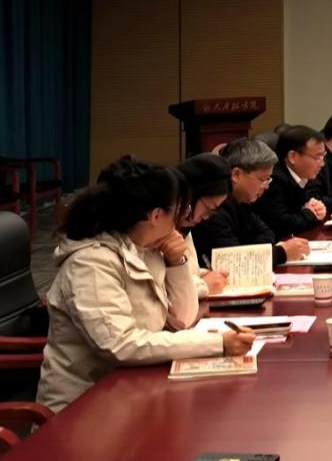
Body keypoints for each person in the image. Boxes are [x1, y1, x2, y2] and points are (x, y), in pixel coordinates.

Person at [36, 156, 254, 413]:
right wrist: (216, 344)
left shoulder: (145, 247)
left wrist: (177, 262)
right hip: (84, 407)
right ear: (156, 215)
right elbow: (120, 345)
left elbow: (183, 318)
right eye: (177, 212)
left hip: (133, 391)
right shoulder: (90, 263)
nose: (178, 223)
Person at [192, 138, 309, 268]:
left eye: (268, 179)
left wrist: (248, 249)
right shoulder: (215, 209)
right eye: (263, 179)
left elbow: (268, 234)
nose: (266, 186)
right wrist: (280, 253)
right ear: (236, 174)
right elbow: (231, 261)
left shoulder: (242, 202)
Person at [254, 125, 328, 240]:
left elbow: (305, 212)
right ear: (293, 157)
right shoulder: (274, 181)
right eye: (317, 157)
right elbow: (284, 225)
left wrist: (317, 210)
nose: (322, 164)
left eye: (323, 157)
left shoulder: (303, 176)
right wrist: (310, 214)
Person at [175, 153, 231, 298]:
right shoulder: (160, 230)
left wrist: (207, 275)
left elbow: (190, 271)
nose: (206, 217)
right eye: (209, 209)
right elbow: (161, 291)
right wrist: (203, 285)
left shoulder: (185, 227)